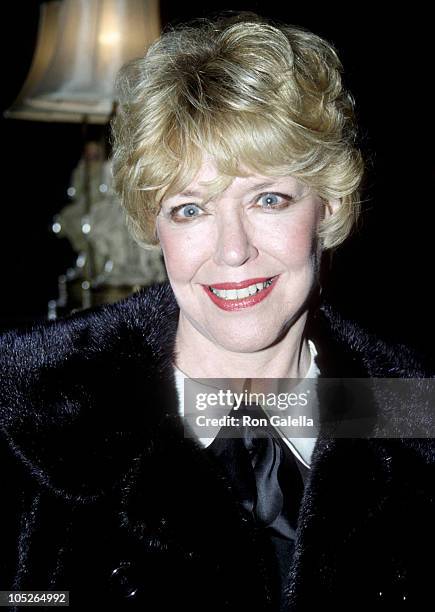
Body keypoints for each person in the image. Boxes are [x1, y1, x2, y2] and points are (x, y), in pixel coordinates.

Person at [1, 13, 434, 611]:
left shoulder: (410, 418)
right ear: (153, 224)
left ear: (330, 206)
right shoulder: (40, 421)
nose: (233, 250)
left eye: (269, 199)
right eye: (190, 209)